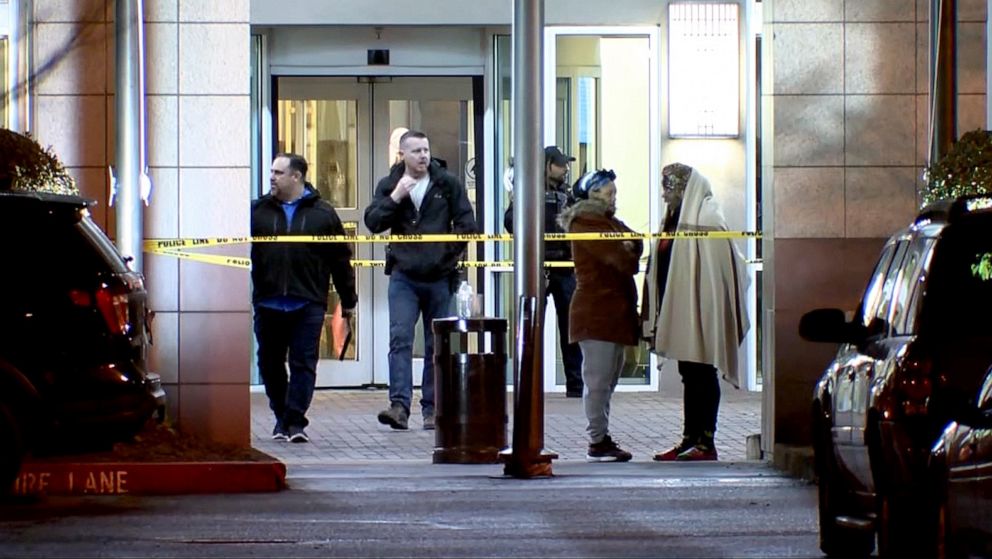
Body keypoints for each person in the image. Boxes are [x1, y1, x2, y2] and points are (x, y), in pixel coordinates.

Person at [364, 130, 478, 431]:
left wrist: (447, 254)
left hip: (439, 276)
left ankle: (433, 409)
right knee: (400, 339)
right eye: (416, 151)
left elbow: (467, 225)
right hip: (404, 276)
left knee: (437, 344)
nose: (423, 156)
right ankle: (399, 406)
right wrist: (396, 197)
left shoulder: (446, 183)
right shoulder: (390, 184)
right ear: (403, 155)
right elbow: (373, 222)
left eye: (426, 150)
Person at [641, 162, 750, 461]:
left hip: (701, 304)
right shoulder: (676, 216)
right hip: (680, 304)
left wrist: (703, 302)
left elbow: (716, 268)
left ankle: (706, 441)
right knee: (689, 370)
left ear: (683, 188)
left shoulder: (707, 215)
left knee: (703, 370)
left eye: (669, 189)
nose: (664, 196)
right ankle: (689, 438)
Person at [251, 153, 357, 444]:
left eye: (278, 172)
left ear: (296, 176)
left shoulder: (323, 214)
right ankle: (282, 415)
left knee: (303, 363)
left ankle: (295, 421)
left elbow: (340, 260)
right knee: (269, 363)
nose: (272, 177)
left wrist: (348, 299)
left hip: (307, 301)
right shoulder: (257, 211)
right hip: (268, 301)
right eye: (271, 171)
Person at [558, 169, 642, 462]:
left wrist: (629, 247)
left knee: (607, 382)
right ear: (593, 195)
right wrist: (627, 249)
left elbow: (635, 240)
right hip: (596, 314)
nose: (614, 197)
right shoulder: (585, 223)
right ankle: (598, 441)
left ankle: (602, 437)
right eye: (609, 193)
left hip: (613, 314)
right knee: (597, 382)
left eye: (615, 193)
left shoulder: (607, 221)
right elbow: (622, 259)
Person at [503, 146, 584, 397]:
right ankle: (528, 385)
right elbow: (510, 223)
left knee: (570, 329)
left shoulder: (569, 195)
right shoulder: (527, 190)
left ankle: (575, 385)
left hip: (564, 267)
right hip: (537, 266)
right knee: (530, 328)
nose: (566, 169)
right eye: (562, 164)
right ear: (548, 164)